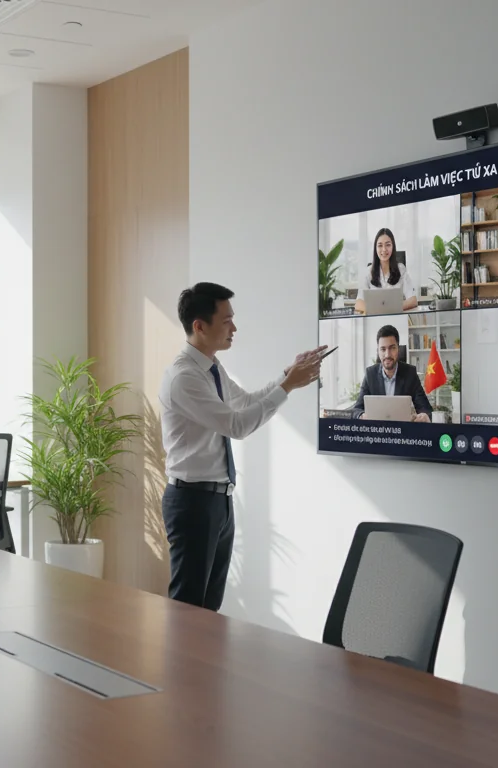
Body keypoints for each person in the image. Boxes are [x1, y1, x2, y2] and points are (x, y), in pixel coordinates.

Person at [158, 283, 324, 611]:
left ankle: (200, 664)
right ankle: (179, 665)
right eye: (227, 320)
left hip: (218, 500)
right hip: (192, 501)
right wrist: (288, 386)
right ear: (200, 326)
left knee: (208, 610)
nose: (234, 327)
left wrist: (286, 376)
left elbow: (245, 402)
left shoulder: (210, 367)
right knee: (187, 611)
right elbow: (237, 425)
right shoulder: (184, 378)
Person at [350, 325, 433, 422]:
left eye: (392, 348)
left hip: (402, 432)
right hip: (378, 432)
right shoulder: (370, 374)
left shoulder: (410, 373)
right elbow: (356, 410)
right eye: (383, 349)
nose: (387, 354)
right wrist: (362, 416)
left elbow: (426, 409)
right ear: (378, 351)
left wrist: (424, 416)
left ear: (398, 348)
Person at [354, 228, 418, 314]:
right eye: (380, 245)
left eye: (388, 245)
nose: (384, 249)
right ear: (375, 248)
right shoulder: (368, 271)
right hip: (375, 320)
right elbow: (358, 303)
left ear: (393, 246)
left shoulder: (401, 269)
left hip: (396, 319)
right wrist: (381, 310)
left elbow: (413, 300)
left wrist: (391, 309)